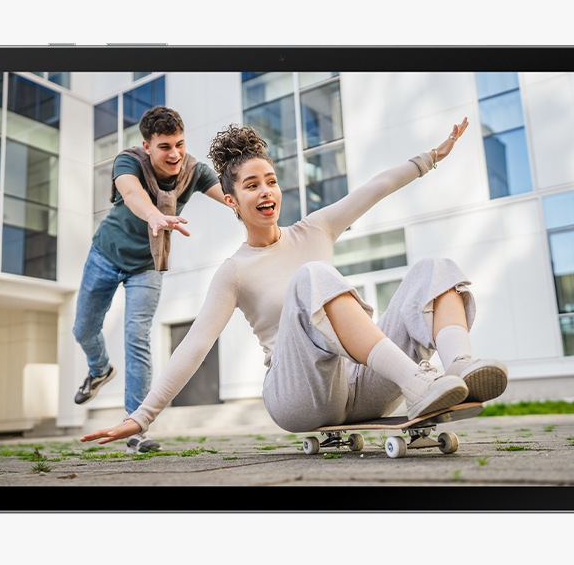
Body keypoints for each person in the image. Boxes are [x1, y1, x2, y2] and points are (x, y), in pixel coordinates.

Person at [81, 117, 508, 447]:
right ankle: (418, 383)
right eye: (252, 186)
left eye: (271, 181)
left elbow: (375, 187)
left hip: (363, 385)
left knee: (433, 268)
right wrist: (143, 416)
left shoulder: (315, 230)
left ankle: (458, 369)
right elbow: (194, 345)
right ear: (232, 201)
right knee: (313, 276)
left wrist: (433, 156)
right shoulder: (234, 271)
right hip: (298, 396)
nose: (266, 191)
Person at [72, 105, 227, 454]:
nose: (175, 154)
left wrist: (254, 203)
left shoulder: (195, 172)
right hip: (105, 255)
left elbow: (229, 196)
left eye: (180, 144)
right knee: (83, 329)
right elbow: (131, 193)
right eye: (165, 147)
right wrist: (154, 215)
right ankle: (99, 369)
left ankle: (136, 427)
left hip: (146, 265)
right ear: (147, 146)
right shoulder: (129, 161)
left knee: (136, 335)